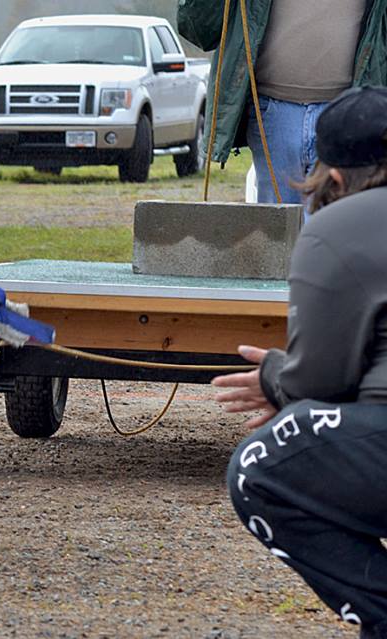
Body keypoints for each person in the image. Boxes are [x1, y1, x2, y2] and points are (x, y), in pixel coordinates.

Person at [213, 87, 387, 638]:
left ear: (333, 179)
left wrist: (274, 376)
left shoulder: (338, 226)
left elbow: (320, 382)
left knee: (260, 467)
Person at [177, 0, 387, 205]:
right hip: (272, 112)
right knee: (277, 229)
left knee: (339, 226)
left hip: (352, 118)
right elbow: (197, 30)